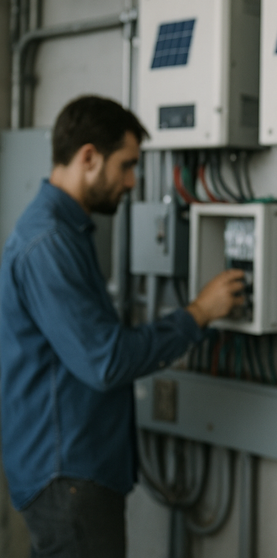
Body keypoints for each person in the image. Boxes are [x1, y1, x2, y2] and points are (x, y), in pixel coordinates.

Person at [0, 95, 245, 558]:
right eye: (127, 166)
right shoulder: (49, 241)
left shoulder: (64, 233)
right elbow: (105, 361)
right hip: (66, 474)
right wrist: (198, 314)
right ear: (89, 157)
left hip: (68, 471)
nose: (132, 182)